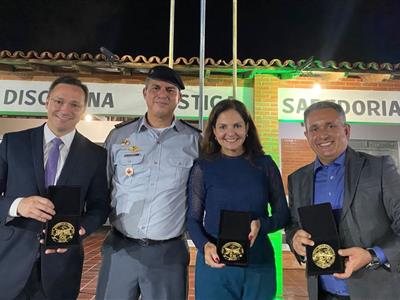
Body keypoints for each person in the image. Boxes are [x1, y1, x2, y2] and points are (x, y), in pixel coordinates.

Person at [0, 75, 110, 300]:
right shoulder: (13, 143)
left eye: (75, 104)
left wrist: (80, 230)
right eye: (59, 101)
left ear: (83, 110)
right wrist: (17, 205)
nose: (65, 109)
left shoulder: (96, 156)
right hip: (10, 260)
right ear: (47, 101)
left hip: (62, 266)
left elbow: (100, 206)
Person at [96, 65, 201, 300]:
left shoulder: (195, 141)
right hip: (120, 248)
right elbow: (102, 187)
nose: (162, 94)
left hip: (168, 254)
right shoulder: (118, 137)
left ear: (179, 98)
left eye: (170, 90)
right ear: (145, 93)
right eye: (155, 88)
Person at [285, 101, 400, 300]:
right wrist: (294, 239)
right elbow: (294, 225)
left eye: (331, 125)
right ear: (307, 136)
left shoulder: (380, 169)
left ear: (346, 130)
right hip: (323, 294)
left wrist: (372, 255)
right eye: (314, 128)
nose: (323, 134)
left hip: (376, 293)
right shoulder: (297, 179)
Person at [187, 99, 290, 300]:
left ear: (247, 128)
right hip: (215, 263)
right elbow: (192, 218)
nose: (230, 133)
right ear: (214, 132)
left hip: (258, 263)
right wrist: (204, 246)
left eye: (237, 126)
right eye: (223, 127)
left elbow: (283, 214)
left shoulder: (265, 165)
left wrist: (262, 224)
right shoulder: (203, 168)